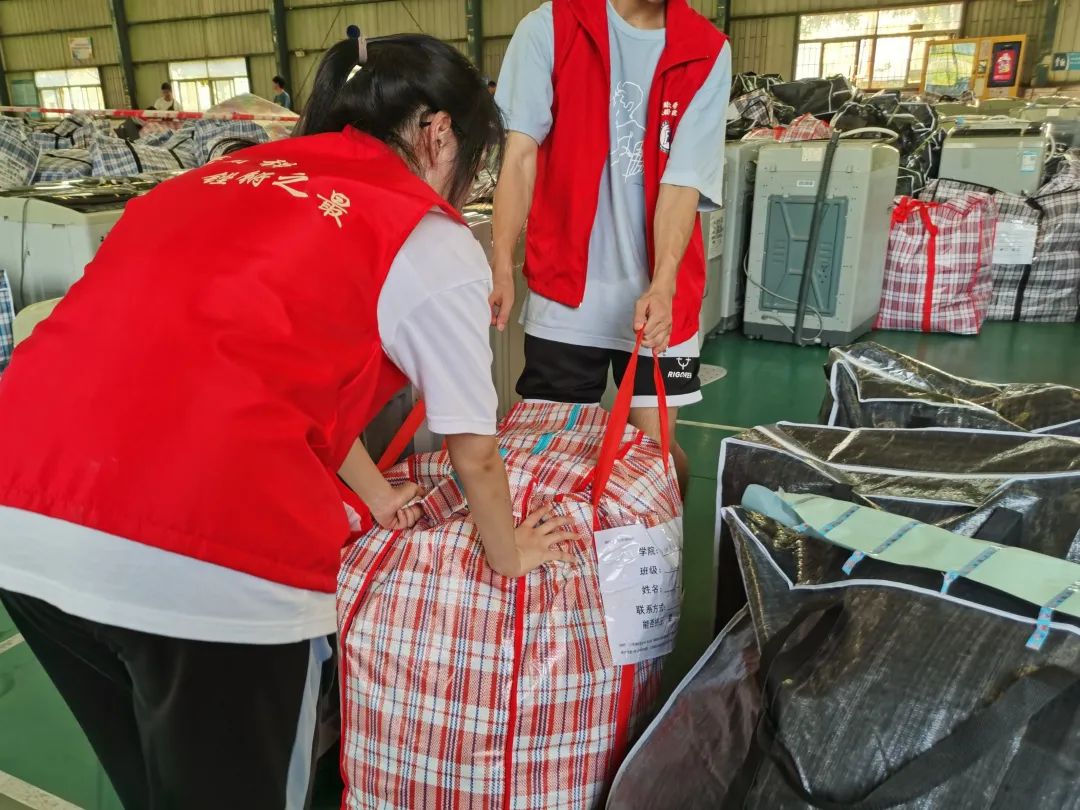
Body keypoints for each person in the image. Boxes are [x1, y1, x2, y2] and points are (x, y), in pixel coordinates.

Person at [0, 30, 573, 810]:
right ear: (438, 133)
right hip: (198, 547)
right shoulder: (423, 234)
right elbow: (475, 451)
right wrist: (510, 555)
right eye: (473, 164)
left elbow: (273, 373)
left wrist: (376, 495)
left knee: (161, 783)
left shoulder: (213, 180)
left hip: (22, 510)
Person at [491, 0, 731, 495]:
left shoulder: (706, 50)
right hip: (566, 292)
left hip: (660, 297)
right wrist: (499, 263)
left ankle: (662, 545)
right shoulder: (552, 27)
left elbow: (683, 182)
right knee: (549, 461)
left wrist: (663, 283)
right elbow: (519, 154)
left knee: (655, 462)